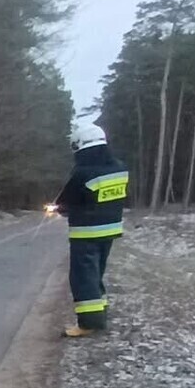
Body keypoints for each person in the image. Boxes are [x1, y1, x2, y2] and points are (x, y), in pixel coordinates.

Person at [53, 121, 128, 337]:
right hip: (110, 230)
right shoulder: (119, 168)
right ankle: (99, 316)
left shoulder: (83, 173)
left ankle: (88, 324)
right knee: (96, 274)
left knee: (83, 277)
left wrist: (60, 208)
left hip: (86, 233)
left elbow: (66, 201)